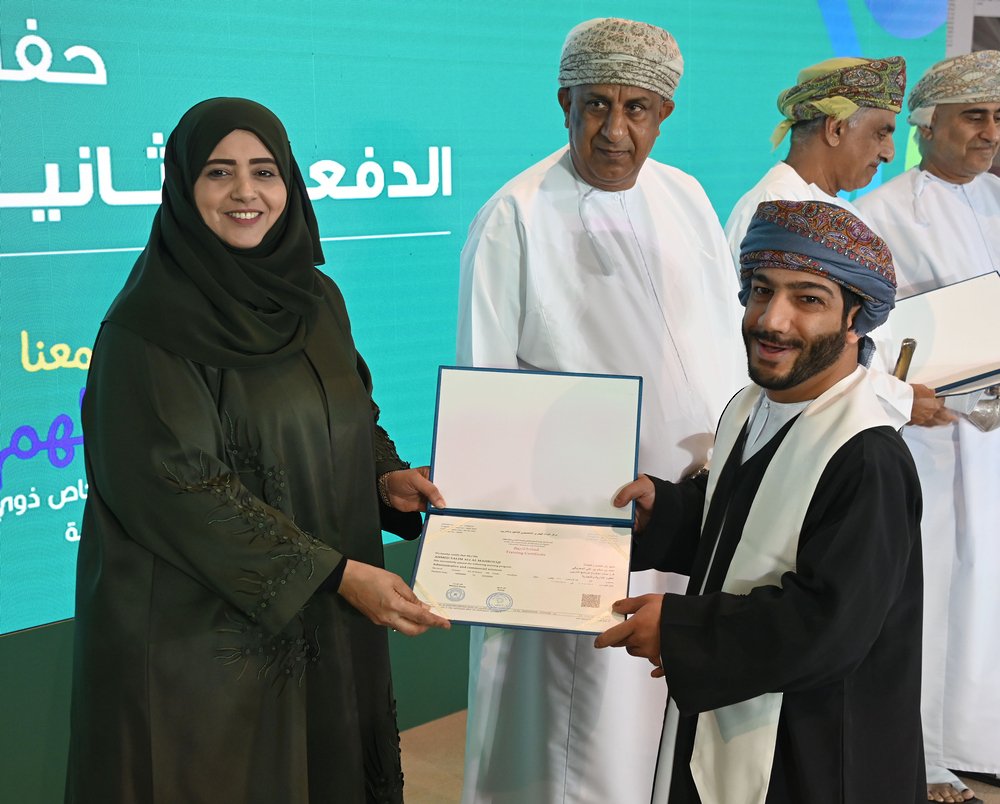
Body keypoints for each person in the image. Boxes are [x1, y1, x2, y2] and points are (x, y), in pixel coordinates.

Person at [64, 98, 449, 804]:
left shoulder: (316, 299)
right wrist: (336, 575)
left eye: (264, 171)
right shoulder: (145, 328)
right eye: (219, 172)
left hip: (323, 616)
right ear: (183, 187)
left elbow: (349, 412)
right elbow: (181, 490)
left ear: (290, 183)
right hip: (199, 645)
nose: (246, 192)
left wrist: (383, 475)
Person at [456, 17, 746, 804]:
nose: (615, 130)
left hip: (685, 516)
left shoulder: (686, 197)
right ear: (565, 104)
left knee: (661, 726)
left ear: (664, 114)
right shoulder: (514, 215)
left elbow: (718, 341)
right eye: (596, 105)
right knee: (569, 735)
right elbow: (487, 389)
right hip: (576, 526)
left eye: (636, 108)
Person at [597, 200, 925, 804]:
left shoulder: (867, 455)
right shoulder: (752, 405)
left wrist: (679, 630)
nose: (771, 320)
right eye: (761, 291)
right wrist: (664, 511)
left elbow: (830, 624)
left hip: (814, 751)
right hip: (737, 713)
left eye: (808, 299)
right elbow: (748, 523)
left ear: (856, 318)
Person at [857, 50, 1000, 804]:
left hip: (994, 437)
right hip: (927, 435)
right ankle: (927, 755)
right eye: (974, 117)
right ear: (926, 124)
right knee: (932, 589)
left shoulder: (998, 200)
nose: (991, 133)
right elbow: (865, 334)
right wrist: (905, 392)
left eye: (999, 118)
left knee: (988, 589)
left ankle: (982, 742)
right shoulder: (881, 214)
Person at [723, 55, 947, 431]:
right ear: (835, 128)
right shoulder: (780, 208)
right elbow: (779, 346)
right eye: (881, 133)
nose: (890, 152)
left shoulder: (835, 207)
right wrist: (898, 399)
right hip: (800, 430)